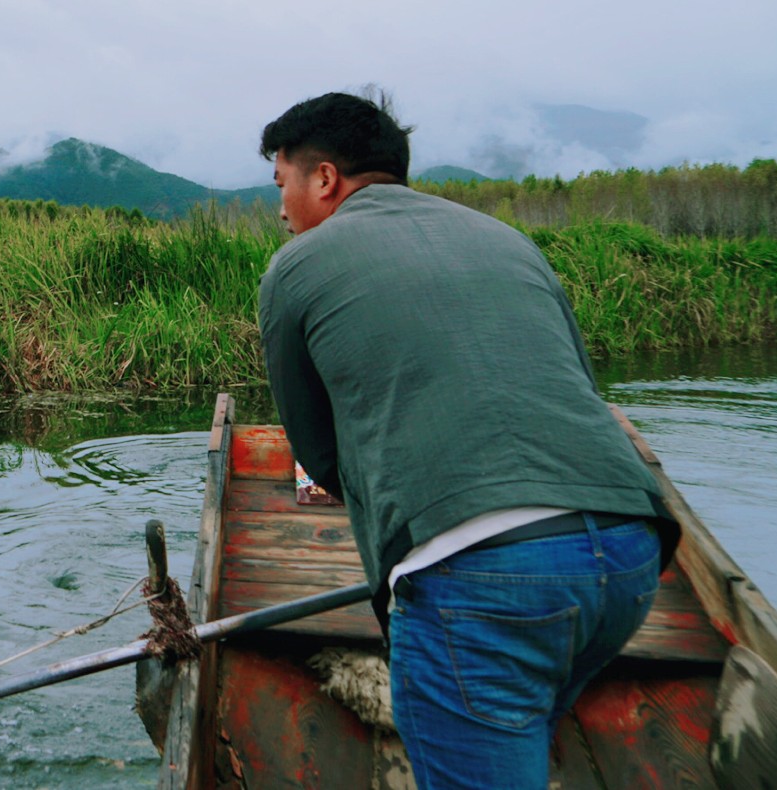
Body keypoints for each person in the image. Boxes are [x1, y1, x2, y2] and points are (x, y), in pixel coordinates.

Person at [255, 91, 678, 790]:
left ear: (323, 178)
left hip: (480, 577)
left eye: (282, 185)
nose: (281, 208)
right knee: (520, 722)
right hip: (633, 554)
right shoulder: (508, 239)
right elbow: (583, 393)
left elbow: (321, 458)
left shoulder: (298, 266)